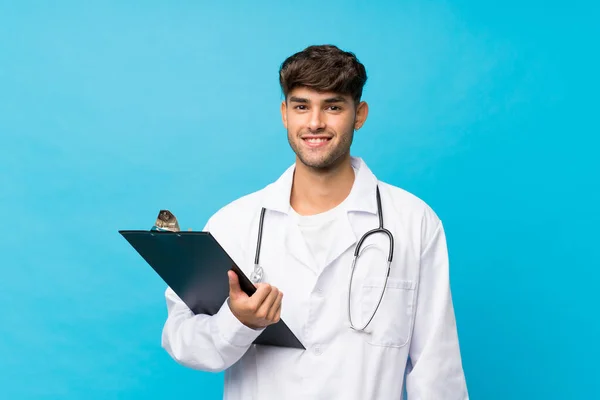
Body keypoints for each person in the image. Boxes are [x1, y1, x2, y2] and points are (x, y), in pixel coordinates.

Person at [161, 44, 469, 399]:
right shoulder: (234, 223)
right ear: (284, 113)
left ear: (360, 114)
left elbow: (437, 370)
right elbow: (180, 340)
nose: (315, 123)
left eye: (333, 106)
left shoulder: (413, 223)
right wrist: (238, 321)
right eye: (301, 106)